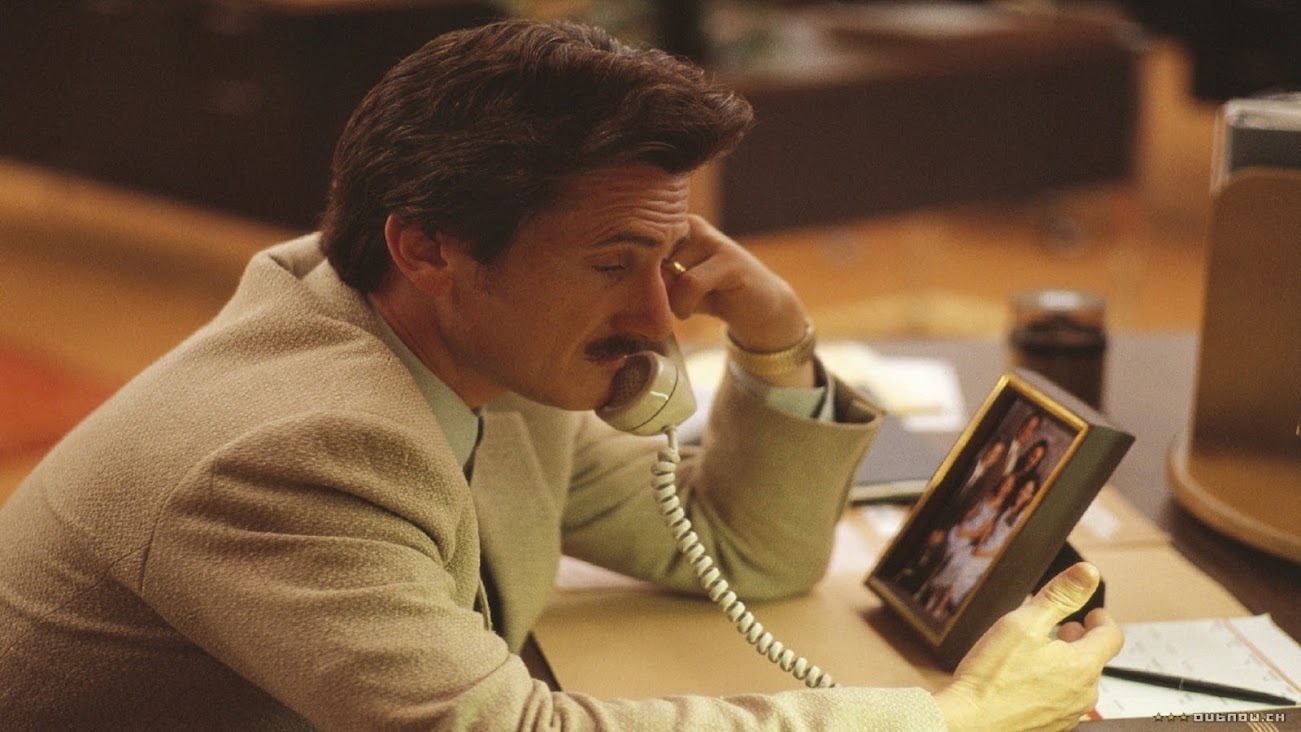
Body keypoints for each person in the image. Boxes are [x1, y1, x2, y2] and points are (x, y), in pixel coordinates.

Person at [0, 19, 1121, 730]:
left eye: (667, 259)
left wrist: (775, 342)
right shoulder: (297, 453)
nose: (659, 319)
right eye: (608, 264)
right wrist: (952, 721)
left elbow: (748, 556)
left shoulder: (476, 358)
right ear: (426, 246)